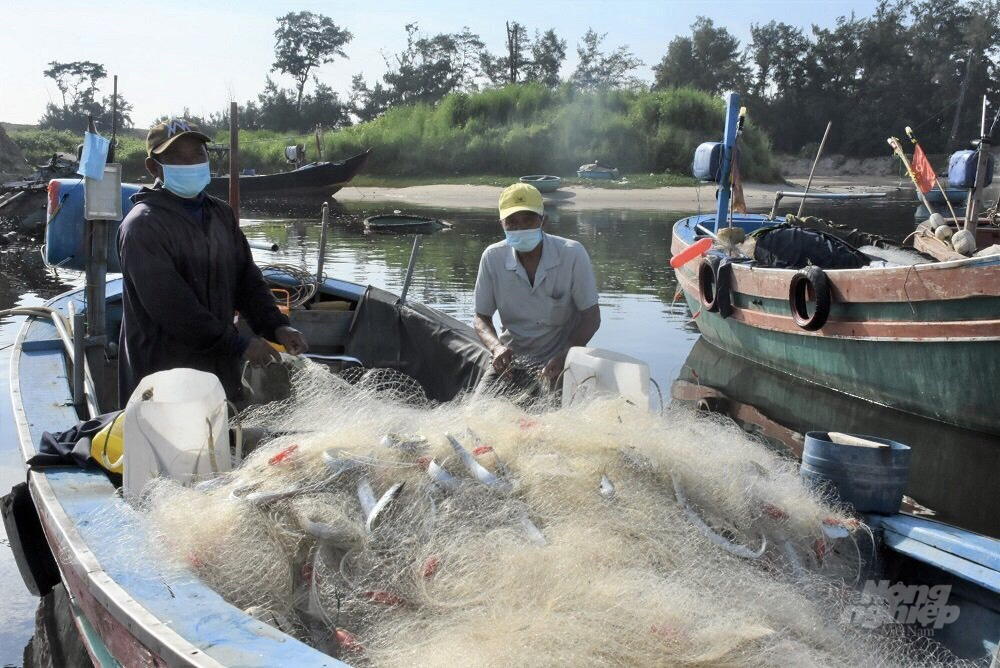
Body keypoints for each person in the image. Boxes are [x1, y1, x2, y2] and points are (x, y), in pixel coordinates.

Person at [117, 118, 307, 406]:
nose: (191, 162)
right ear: (154, 168)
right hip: (162, 379)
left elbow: (247, 280)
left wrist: (276, 326)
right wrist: (239, 344)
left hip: (218, 371)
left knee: (220, 440)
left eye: (197, 154)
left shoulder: (220, 215)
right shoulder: (143, 227)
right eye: (177, 157)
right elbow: (173, 309)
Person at [473, 183, 601, 395]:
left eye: (528, 220)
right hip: (511, 361)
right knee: (477, 416)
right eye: (512, 222)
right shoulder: (492, 257)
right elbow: (481, 317)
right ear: (502, 225)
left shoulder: (572, 254)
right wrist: (496, 348)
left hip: (561, 359)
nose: (520, 228)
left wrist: (565, 354)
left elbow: (591, 317)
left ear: (543, 221)